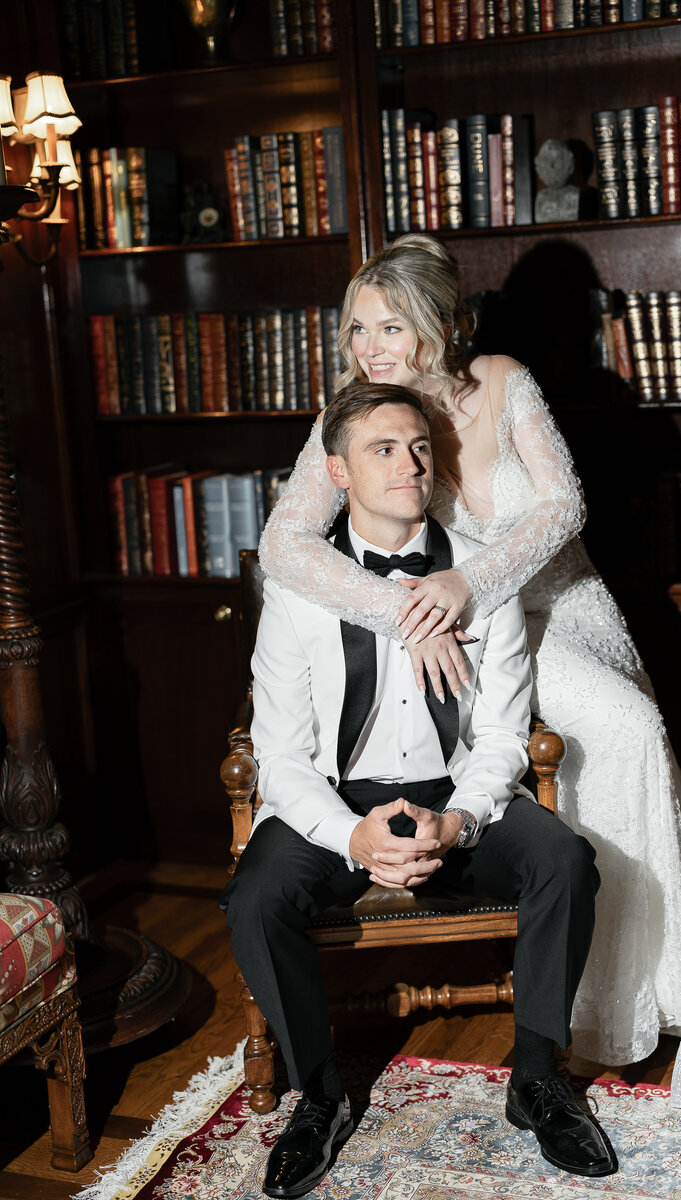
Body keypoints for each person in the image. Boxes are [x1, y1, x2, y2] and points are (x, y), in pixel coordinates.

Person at [258, 233, 681, 1115]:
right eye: (356, 330)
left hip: (562, 607)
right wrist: (409, 611)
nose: (368, 349)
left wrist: (470, 580)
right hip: (451, 631)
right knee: (556, 750)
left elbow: (563, 504)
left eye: (388, 326)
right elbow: (285, 543)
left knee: (628, 728)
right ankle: (586, 995)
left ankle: (659, 978)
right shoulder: (356, 415)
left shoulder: (503, 380)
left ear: (434, 323)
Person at [221, 383, 617, 1197]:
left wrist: (462, 819)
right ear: (336, 471)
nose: (410, 464)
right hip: (336, 798)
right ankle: (318, 1098)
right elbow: (281, 752)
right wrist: (350, 836)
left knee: (566, 861)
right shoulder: (299, 582)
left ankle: (537, 1080)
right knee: (255, 895)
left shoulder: (480, 578)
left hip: (453, 791)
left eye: (419, 447)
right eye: (383, 449)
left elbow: (505, 736)